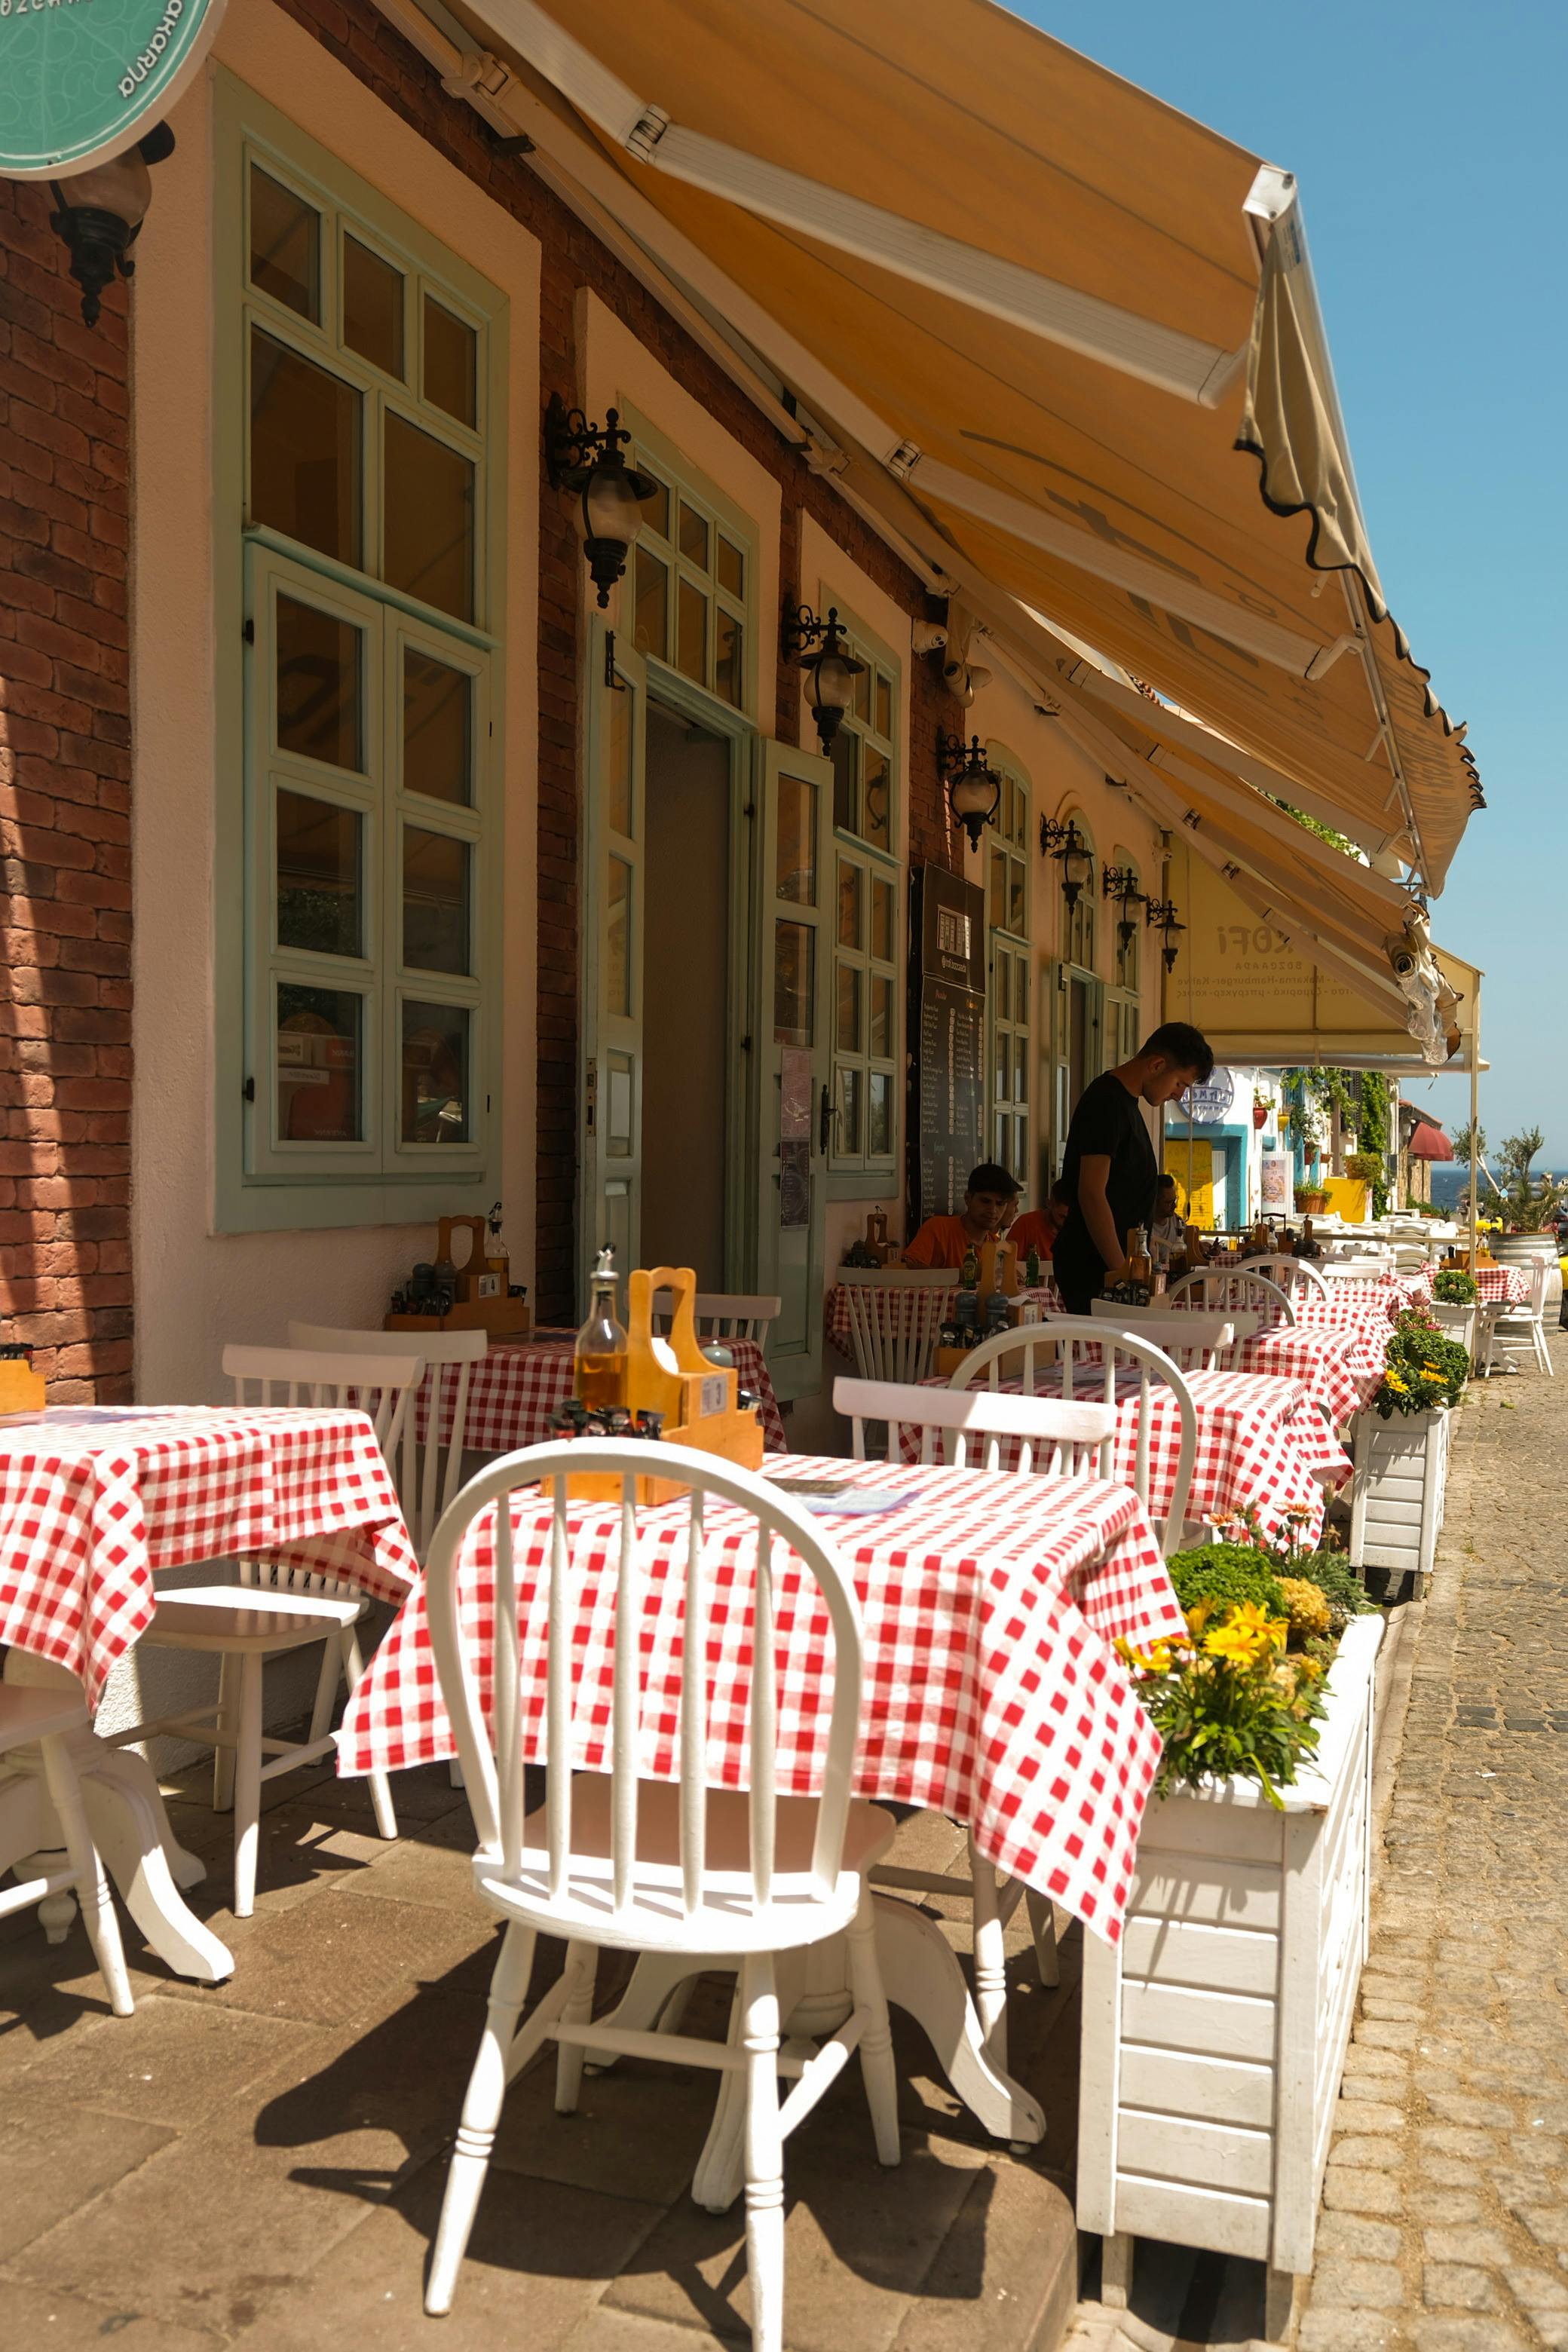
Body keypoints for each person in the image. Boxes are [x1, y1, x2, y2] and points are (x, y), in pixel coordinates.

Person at [1052, 1023, 1216, 1314]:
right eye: (1180, 1083)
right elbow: (1091, 1192)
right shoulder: (1107, 1102)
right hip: (1095, 1268)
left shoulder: (1127, 1104)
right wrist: (1121, 1272)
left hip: (1112, 1268)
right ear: (1157, 1065)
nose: (1179, 1096)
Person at [903, 1162, 1021, 1269]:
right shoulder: (938, 1229)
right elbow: (907, 1268)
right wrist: (965, 1276)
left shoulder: (997, 1246)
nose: (993, 1210)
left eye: (1000, 1204)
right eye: (985, 1201)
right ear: (968, 1199)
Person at [1009, 1178, 1072, 1264]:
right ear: (1049, 1204)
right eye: (1062, 1217)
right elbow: (1007, 1266)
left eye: (1072, 1218)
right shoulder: (1026, 1224)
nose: (1067, 1223)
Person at [1148, 1174, 1187, 1275]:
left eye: (1175, 1200)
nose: (1175, 1205)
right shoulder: (1143, 1226)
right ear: (1155, 1202)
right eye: (1169, 1202)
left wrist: (1206, 1249)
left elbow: (1191, 1249)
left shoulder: (1178, 1222)